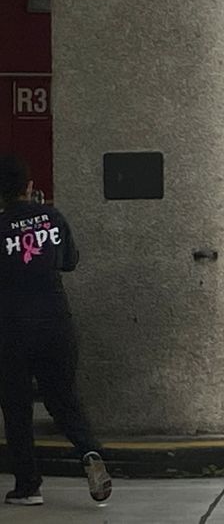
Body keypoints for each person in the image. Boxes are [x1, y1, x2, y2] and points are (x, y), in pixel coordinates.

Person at [0, 155, 112, 506]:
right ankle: (89, 452)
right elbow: (69, 261)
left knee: (16, 408)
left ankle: (27, 485)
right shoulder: (52, 217)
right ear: (29, 186)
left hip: (11, 329)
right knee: (63, 399)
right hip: (55, 323)